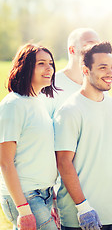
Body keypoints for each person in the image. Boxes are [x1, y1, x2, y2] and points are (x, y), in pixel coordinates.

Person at [53, 42, 112, 230]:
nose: (110, 73)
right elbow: (64, 162)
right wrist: (83, 207)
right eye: (102, 67)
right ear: (85, 69)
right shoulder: (70, 111)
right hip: (80, 217)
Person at [0, 43, 59, 229]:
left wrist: (52, 196)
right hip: (25, 195)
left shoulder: (39, 102)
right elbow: (5, 162)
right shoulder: (13, 105)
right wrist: (23, 209)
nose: (49, 68)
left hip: (44, 193)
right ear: (25, 68)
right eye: (41, 63)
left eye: (50, 63)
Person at [42, 28, 100, 117]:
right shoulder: (51, 85)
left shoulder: (100, 85)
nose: (96, 51)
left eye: (97, 46)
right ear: (72, 50)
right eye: (89, 45)